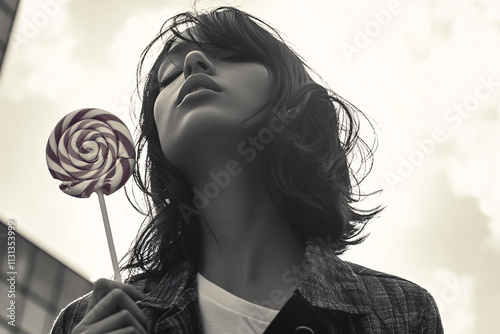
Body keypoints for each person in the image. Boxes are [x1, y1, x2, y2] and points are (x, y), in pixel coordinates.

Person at [51, 6, 443, 334]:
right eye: (167, 77)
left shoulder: (400, 311)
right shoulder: (86, 321)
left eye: (233, 54)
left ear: (291, 97)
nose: (192, 62)